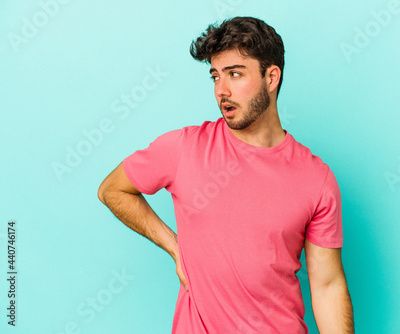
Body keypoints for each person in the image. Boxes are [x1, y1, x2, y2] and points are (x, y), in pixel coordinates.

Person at [98, 16, 354, 333]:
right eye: (215, 76)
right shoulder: (183, 148)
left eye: (235, 74)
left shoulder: (317, 179)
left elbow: (328, 286)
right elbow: (112, 189)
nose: (222, 90)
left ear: (271, 77)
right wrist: (176, 248)